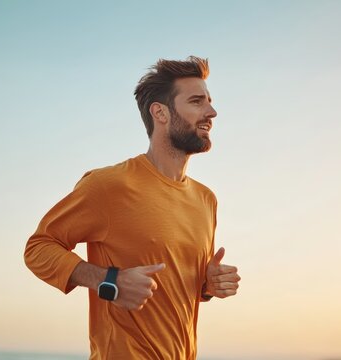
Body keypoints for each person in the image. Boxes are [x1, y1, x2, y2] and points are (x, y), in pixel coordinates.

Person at [24, 56, 241, 359]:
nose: (212, 112)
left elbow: (176, 285)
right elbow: (38, 248)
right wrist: (109, 281)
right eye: (197, 101)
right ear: (160, 113)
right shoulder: (109, 185)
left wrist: (207, 283)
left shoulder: (205, 199)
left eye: (209, 101)